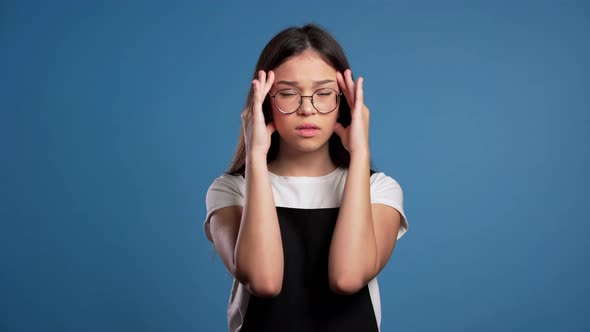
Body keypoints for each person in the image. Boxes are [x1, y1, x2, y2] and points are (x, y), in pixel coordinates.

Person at [203, 23, 409, 332]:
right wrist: (256, 157)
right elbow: (264, 281)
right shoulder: (231, 190)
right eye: (288, 93)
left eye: (323, 93)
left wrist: (360, 154)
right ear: (264, 102)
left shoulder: (378, 190)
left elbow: (347, 277)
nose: (307, 109)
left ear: (344, 101)